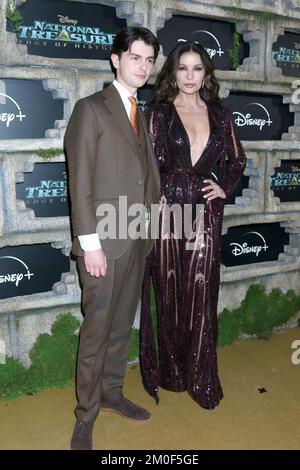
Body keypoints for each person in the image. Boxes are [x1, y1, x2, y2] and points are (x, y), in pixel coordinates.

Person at [64, 27, 160, 450]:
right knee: (97, 330)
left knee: (122, 326)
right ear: (115, 59)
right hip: (102, 244)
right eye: (135, 57)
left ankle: (112, 393)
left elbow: (146, 176)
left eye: (149, 60)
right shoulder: (91, 109)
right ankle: (84, 417)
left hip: (136, 238)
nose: (142, 66)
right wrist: (90, 245)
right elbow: (79, 182)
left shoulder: (145, 112)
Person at [139, 41, 247, 410]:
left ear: (206, 73)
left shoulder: (220, 114)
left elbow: (237, 159)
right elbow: (147, 169)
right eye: (182, 68)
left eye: (196, 68)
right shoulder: (158, 113)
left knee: (202, 293)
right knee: (170, 294)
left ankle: (201, 377)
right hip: (167, 210)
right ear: (172, 72)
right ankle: (172, 373)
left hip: (204, 212)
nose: (189, 76)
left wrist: (224, 188)